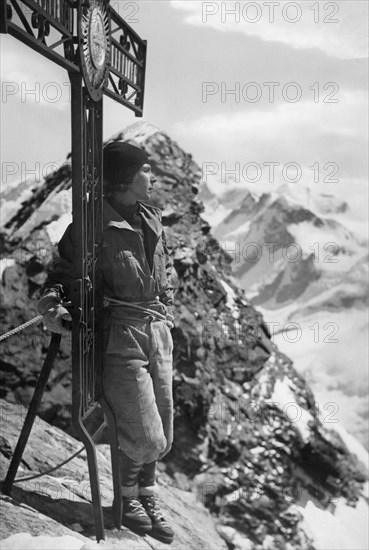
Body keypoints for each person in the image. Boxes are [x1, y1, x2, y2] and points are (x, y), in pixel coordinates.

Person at [36, 141, 175, 543]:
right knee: (143, 432)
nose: (152, 176)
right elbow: (61, 277)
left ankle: (145, 495)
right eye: (146, 169)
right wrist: (53, 308)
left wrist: (166, 305)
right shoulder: (91, 224)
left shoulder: (152, 217)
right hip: (120, 336)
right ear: (125, 178)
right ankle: (126, 500)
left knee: (163, 428)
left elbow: (164, 272)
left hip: (157, 332)